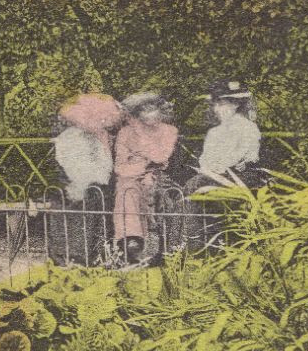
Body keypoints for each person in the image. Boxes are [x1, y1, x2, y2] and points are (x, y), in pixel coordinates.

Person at [48, 92, 122, 265]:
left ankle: (95, 253)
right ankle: (71, 255)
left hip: (93, 184)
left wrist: (99, 180)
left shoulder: (99, 137)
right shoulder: (70, 138)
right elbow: (70, 165)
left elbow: (105, 166)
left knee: (99, 198)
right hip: (72, 181)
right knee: (78, 203)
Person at [112, 92, 179, 266]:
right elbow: (120, 166)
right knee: (127, 189)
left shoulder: (169, 131)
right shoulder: (125, 133)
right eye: (143, 109)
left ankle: (166, 246)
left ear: (161, 110)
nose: (149, 113)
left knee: (159, 190)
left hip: (161, 176)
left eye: (153, 108)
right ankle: (131, 240)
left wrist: (141, 143)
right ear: (137, 113)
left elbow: (160, 157)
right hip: (132, 176)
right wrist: (141, 167)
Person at [193, 80, 262, 187]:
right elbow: (205, 158)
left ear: (235, 104)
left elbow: (252, 155)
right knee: (195, 183)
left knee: (199, 183)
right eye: (215, 105)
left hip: (237, 178)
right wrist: (208, 168)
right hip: (212, 177)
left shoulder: (248, 127)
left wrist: (245, 163)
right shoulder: (214, 132)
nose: (216, 109)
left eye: (221, 104)